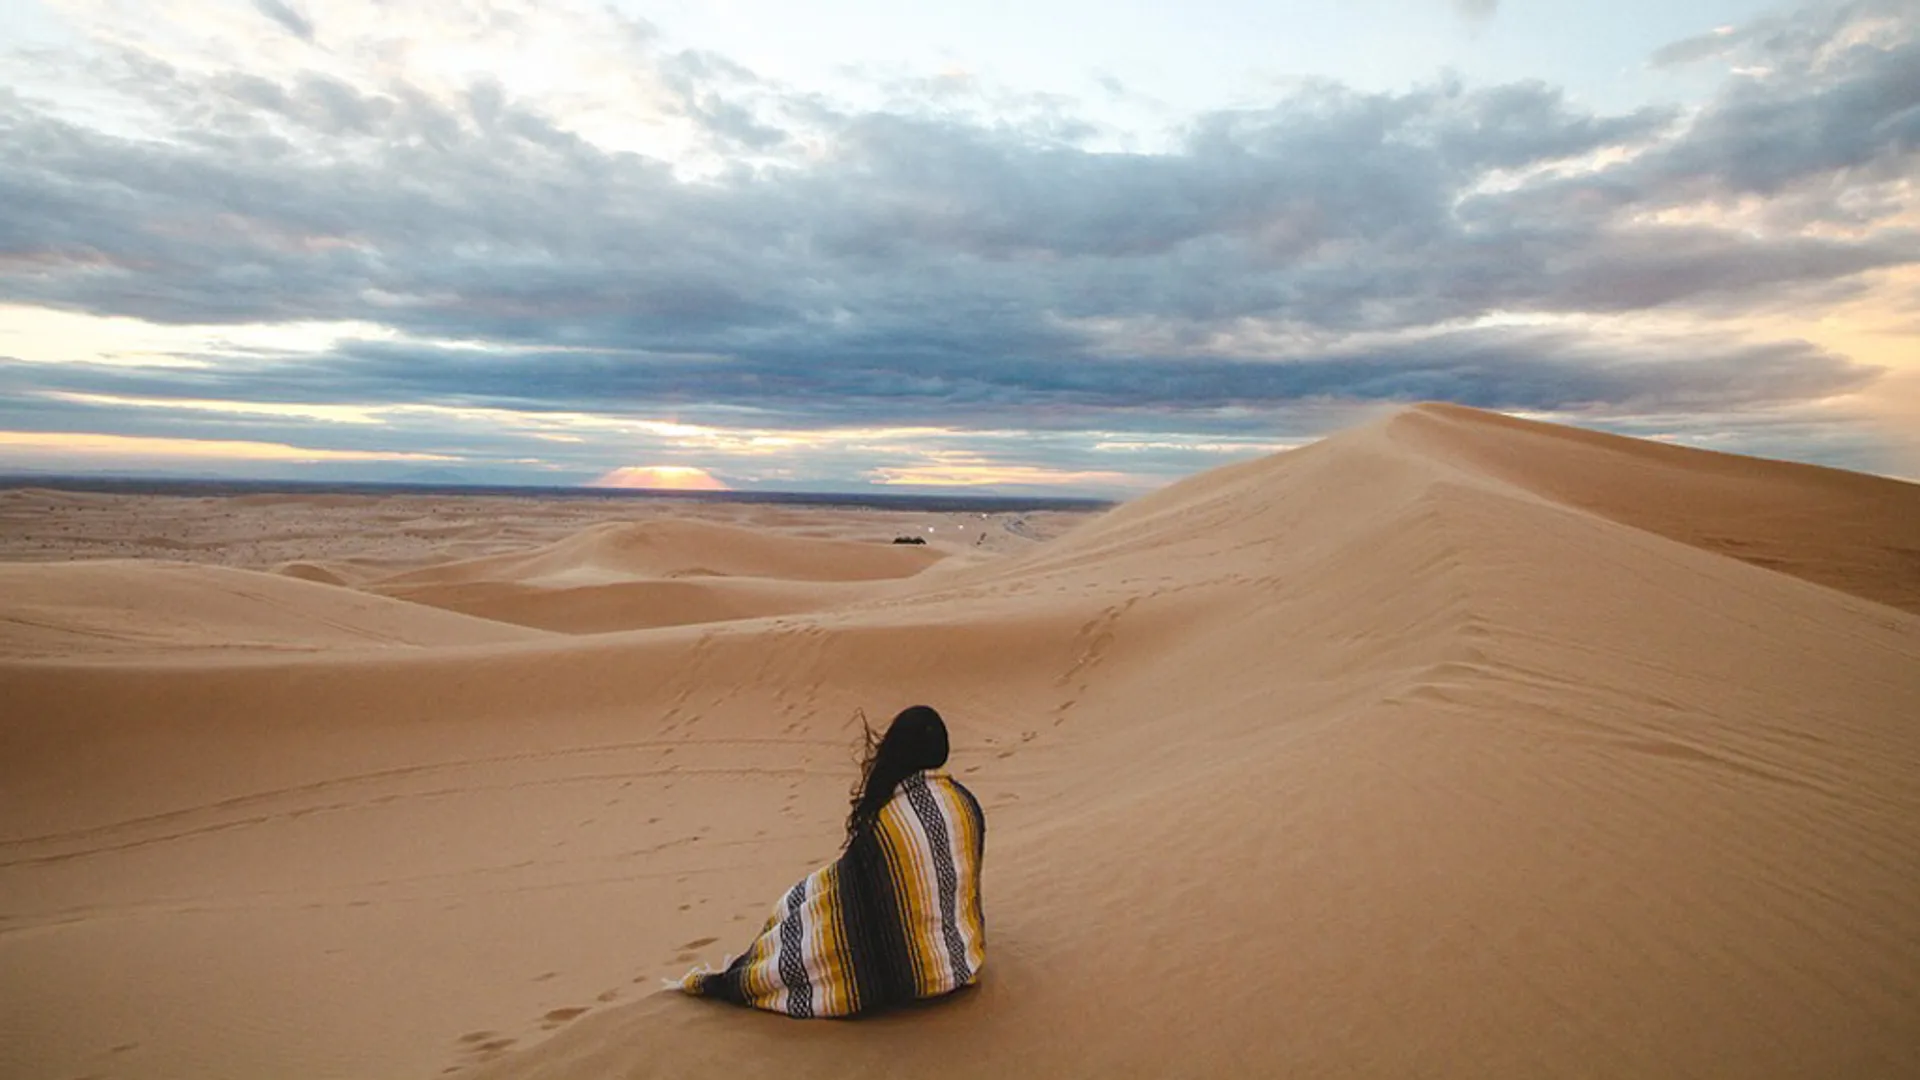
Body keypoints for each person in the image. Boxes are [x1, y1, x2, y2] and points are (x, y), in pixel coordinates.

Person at [678, 705, 987, 1018]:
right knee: (815, 893)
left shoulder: (886, 823)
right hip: (961, 965)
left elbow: (855, 909)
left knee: (803, 911)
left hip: (916, 984)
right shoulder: (965, 805)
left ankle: (747, 976)